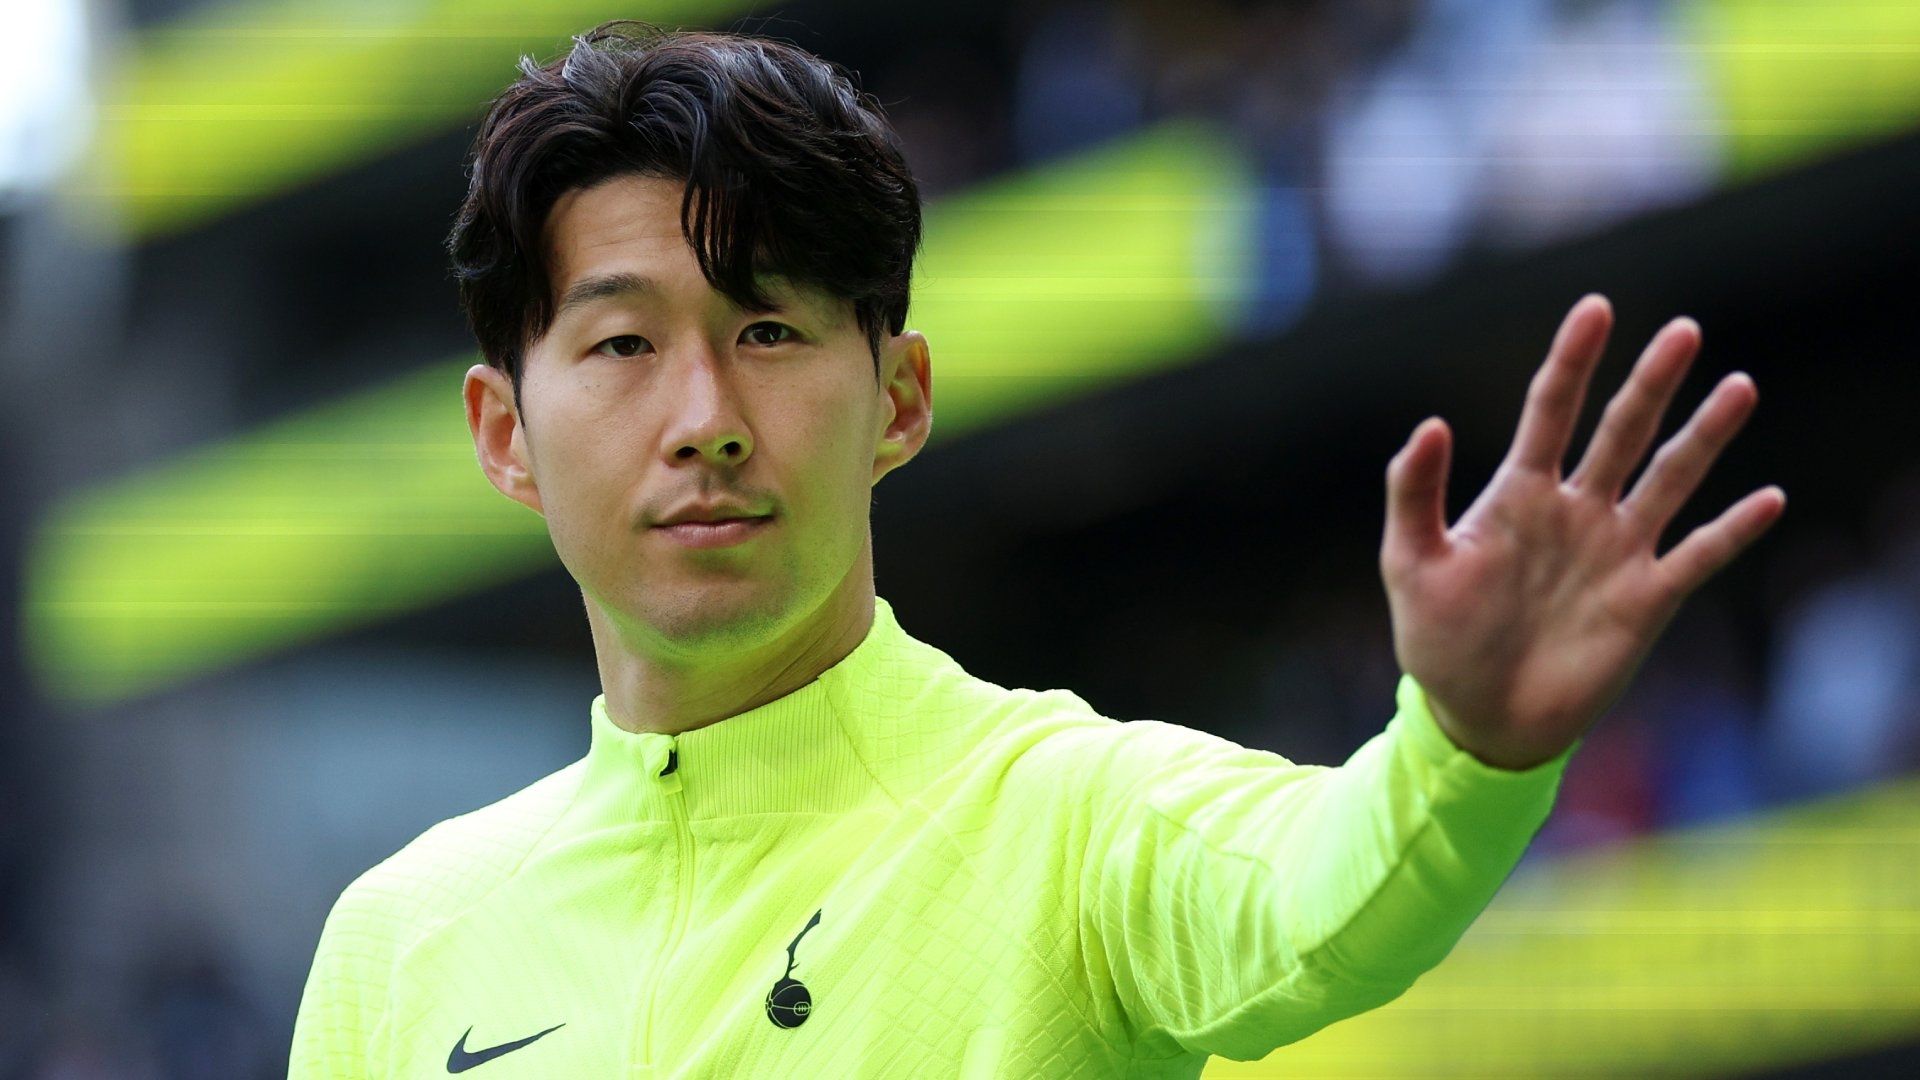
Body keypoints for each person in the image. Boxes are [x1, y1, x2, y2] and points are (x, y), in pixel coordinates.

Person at [288, 19, 1784, 1077]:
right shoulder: (395, 947)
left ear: (900, 398)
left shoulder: (1066, 816)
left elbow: (1323, 895)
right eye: (621, 343)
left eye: (769, 330)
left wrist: (1462, 749)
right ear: (503, 431)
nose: (706, 419)